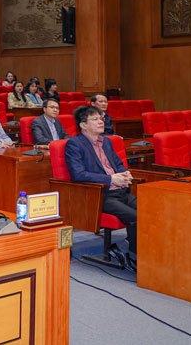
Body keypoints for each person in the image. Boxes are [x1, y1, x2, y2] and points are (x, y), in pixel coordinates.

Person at [65, 106, 136, 264]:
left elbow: (118, 164)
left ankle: (133, 247)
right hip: (101, 196)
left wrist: (125, 173)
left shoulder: (107, 142)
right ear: (83, 125)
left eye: (101, 118)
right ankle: (134, 258)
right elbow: (78, 174)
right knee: (137, 218)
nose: (100, 121)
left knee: (154, 212)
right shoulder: (74, 144)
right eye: (95, 119)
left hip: (122, 192)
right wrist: (110, 179)